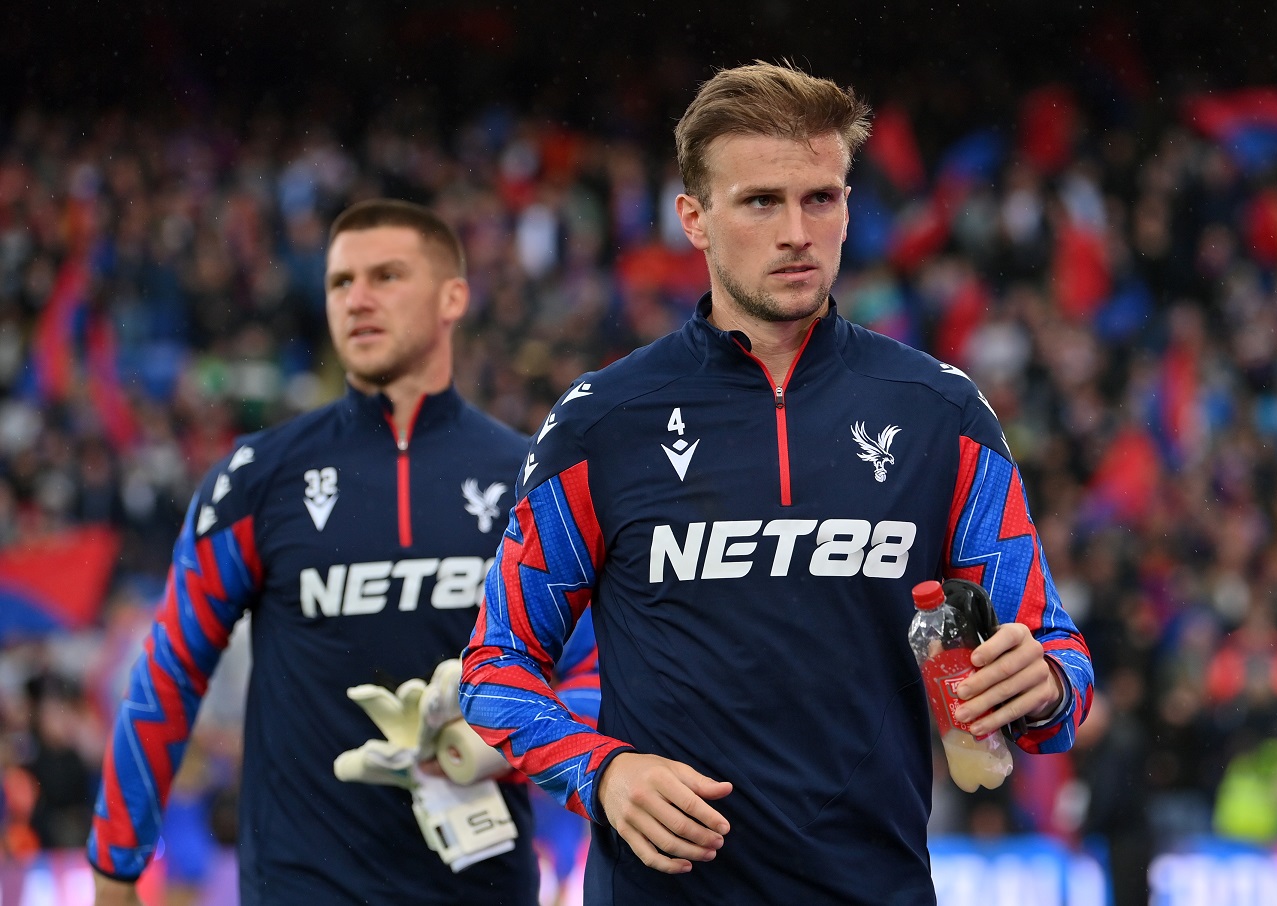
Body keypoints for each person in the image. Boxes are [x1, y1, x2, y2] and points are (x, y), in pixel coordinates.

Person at [460, 61, 1094, 905]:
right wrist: (602, 773)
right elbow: (495, 667)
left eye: (821, 198)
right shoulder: (600, 424)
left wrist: (1042, 682)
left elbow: (1056, 659)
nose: (797, 231)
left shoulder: (944, 414)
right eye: (762, 201)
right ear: (695, 219)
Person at [87, 199, 596, 905]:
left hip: (481, 887)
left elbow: (595, 676)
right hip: (301, 887)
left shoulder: (529, 480)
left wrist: (503, 747)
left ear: (454, 297)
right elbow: (168, 674)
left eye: (387, 276)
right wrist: (115, 869)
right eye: (339, 282)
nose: (357, 299)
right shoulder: (256, 479)